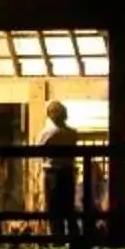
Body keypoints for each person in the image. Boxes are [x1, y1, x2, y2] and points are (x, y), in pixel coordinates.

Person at [39, 99, 83, 240]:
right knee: (68, 206)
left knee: (53, 206)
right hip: (68, 171)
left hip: (53, 172)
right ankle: (74, 236)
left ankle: (57, 237)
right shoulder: (72, 133)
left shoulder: (48, 133)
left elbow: (38, 148)